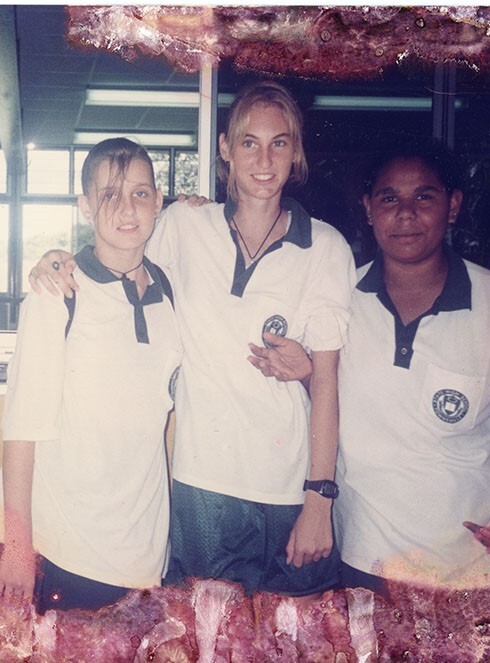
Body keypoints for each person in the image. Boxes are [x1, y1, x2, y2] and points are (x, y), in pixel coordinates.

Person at [30, 81, 356, 598]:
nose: (264, 159)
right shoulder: (184, 223)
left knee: (292, 645)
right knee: (207, 642)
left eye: (280, 142)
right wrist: (56, 258)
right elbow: (116, 242)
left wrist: (320, 499)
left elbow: (330, 381)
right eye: (249, 142)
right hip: (200, 487)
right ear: (225, 149)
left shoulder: (327, 247)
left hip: (288, 487)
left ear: (296, 152)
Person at [329, 143, 490, 591]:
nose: (406, 213)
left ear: (453, 206)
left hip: (474, 567)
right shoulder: (337, 297)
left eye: (424, 196)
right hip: (368, 557)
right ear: (369, 210)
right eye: (389, 198)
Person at [0, 138, 182, 613]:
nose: (127, 208)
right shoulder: (56, 293)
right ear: (84, 206)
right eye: (109, 195)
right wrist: (17, 548)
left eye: (140, 193)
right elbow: (21, 428)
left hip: (146, 551)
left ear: (159, 201)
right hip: (70, 549)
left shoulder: (169, 292)